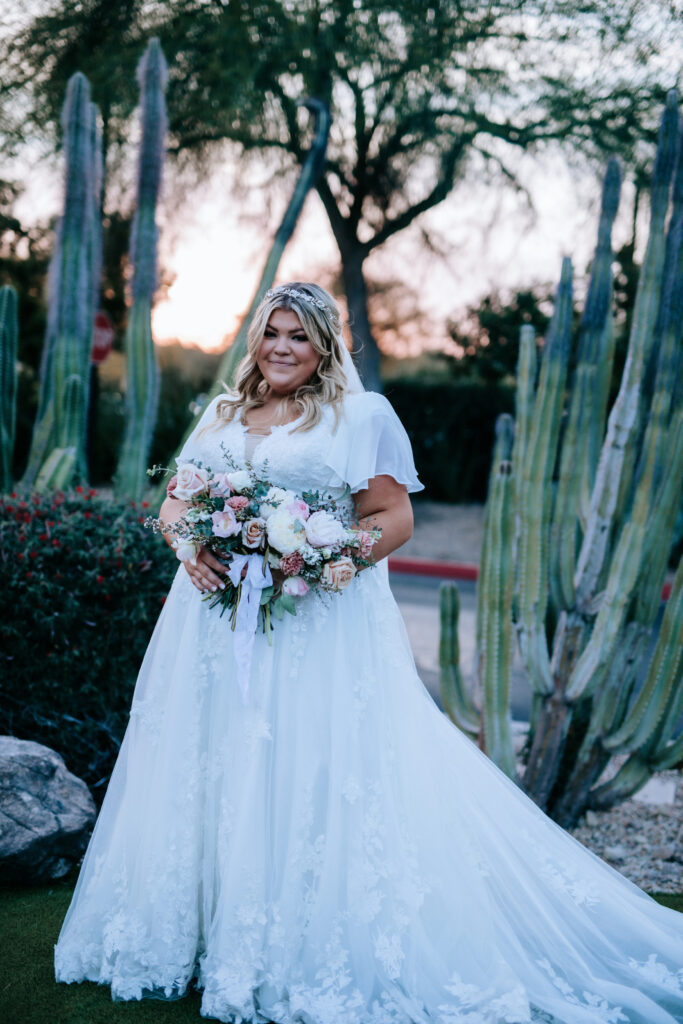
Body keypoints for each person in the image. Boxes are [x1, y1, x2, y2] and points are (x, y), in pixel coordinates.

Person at [55, 282, 683, 1024]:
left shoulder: (360, 416)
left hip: (313, 626)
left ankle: (296, 934)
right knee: (212, 759)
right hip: (212, 628)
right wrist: (192, 548)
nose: (281, 348)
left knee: (305, 764)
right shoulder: (224, 414)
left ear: (324, 344)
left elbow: (394, 517)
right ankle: (201, 927)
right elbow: (174, 504)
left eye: (298, 335)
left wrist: (322, 563)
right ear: (256, 338)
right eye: (271, 333)